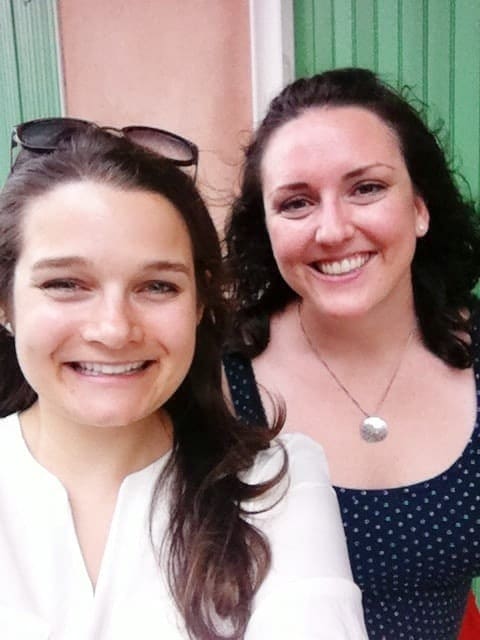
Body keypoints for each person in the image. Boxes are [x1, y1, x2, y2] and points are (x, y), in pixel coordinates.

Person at [0, 119, 368, 640]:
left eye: (156, 286)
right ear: (6, 303)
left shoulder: (275, 487)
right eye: (65, 284)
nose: (113, 329)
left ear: (199, 302)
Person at [223, 67, 480, 640]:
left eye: (366, 188)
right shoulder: (218, 378)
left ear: (420, 207)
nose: (334, 230)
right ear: (265, 228)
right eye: (296, 203)